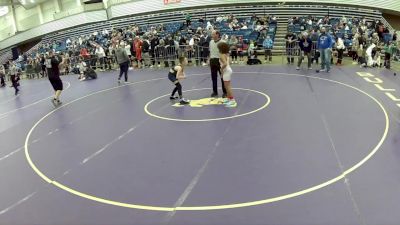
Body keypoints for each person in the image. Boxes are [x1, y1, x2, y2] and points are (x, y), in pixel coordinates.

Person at [218, 42, 236, 108]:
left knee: (227, 86)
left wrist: (221, 70)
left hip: (226, 71)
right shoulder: (226, 54)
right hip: (228, 70)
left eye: (218, 48)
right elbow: (230, 62)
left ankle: (232, 100)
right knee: (226, 86)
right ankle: (229, 99)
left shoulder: (222, 55)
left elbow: (225, 64)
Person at [209, 30, 227, 98]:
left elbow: (226, 53)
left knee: (222, 77)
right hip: (212, 60)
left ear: (217, 35)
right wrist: (209, 59)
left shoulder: (223, 42)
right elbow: (210, 51)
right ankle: (215, 92)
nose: (212, 35)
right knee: (213, 77)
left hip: (220, 61)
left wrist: (225, 61)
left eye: (213, 34)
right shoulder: (211, 42)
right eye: (212, 34)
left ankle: (225, 92)